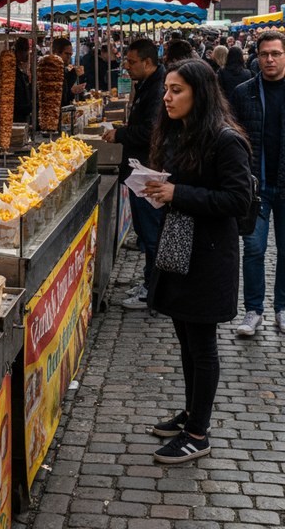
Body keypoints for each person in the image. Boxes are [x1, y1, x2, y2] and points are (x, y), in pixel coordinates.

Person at [142, 59, 251, 463]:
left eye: (176, 90)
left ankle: (198, 434)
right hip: (180, 250)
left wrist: (178, 195)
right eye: (167, 89)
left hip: (208, 258)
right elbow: (186, 188)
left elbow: (236, 201)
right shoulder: (182, 134)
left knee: (202, 346)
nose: (167, 98)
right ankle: (191, 413)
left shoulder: (226, 139)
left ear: (199, 93)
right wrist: (159, 188)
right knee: (186, 341)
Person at [103, 38, 166, 308]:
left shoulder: (157, 88)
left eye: (130, 62)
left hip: (148, 171)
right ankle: (150, 283)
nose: (125, 66)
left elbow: (151, 131)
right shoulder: (147, 85)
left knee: (152, 235)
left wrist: (120, 134)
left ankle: (154, 291)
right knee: (145, 232)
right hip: (139, 170)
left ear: (147, 62)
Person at [230, 30, 285, 336]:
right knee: (253, 248)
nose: (269, 59)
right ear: (256, 56)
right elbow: (234, 138)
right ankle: (253, 310)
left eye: (276, 53)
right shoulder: (244, 92)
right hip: (256, 186)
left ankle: (282, 307)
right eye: (264, 54)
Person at [50, 37, 86, 108]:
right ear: (57, 53)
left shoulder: (63, 70)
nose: (69, 58)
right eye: (67, 54)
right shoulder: (50, 70)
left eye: (70, 55)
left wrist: (74, 91)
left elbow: (66, 94)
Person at [13, 37, 31, 122]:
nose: (27, 54)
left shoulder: (19, 73)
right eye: (25, 50)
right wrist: (32, 107)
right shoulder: (14, 74)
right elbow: (17, 103)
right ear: (17, 52)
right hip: (17, 119)